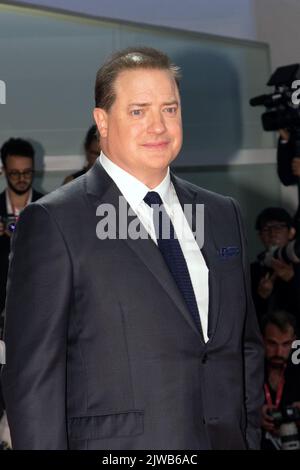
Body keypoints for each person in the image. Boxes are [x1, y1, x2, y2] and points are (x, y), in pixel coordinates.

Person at [2, 47, 264, 450]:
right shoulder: (55, 222)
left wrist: (247, 437)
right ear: (102, 121)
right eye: (139, 111)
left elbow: (244, 348)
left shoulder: (221, 213)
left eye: (170, 109)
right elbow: (34, 378)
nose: (158, 126)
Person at [251, 207, 300, 327]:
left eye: (279, 227)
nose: (273, 233)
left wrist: (292, 280)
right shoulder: (253, 270)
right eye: (267, 229)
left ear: (291, 232)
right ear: (260, 236)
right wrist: (261, 296)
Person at [260, 311, 300, 450]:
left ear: (294, 341)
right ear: (262, 339)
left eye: (285, 344)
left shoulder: (296, 371)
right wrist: (252, 414)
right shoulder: (249, 371)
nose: (279, 352)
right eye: (272, 343)